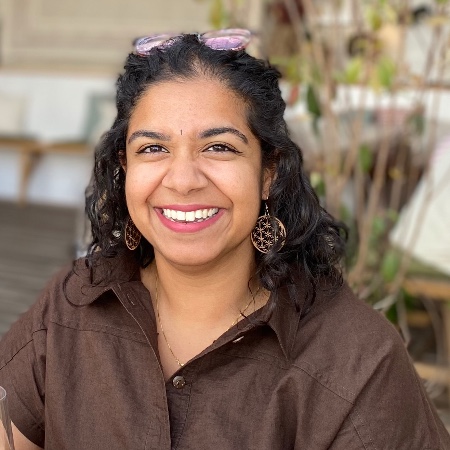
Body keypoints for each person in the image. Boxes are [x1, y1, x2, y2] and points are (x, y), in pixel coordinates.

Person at [0, 29, 449, 450]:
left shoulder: (359, 362)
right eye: (153, 148)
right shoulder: (70, 306)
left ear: (269, 172)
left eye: (219, 147)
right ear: (125, 168)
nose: (182, 180)